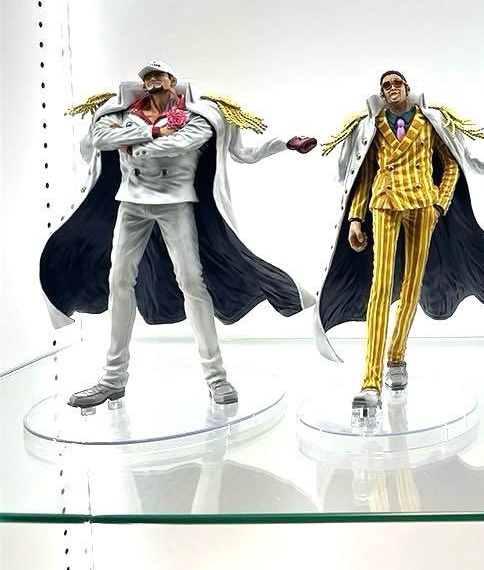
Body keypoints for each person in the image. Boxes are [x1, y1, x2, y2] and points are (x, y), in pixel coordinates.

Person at [41, 60, 317, 409]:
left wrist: (133, 144)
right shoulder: (121, 113)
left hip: (175, 203)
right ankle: (113, 379)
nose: (153, 81)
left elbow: (189, 144)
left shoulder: (197, 117)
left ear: (173, 80)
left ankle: (216, 376)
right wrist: (155, 133)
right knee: (118, 280)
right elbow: (99, 139)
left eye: (159, 76)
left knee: (192, 281)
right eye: (147, 77)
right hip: (131, 203)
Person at [316, 69, 484, 416]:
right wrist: (355, 218)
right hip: (383, 204)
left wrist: (440, 203)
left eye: (396, 84)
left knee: (412, 287)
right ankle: (370, 381)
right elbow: (364, 175)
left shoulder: (429, 122)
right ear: (381, 93)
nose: (392, 89)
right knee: (380, 288)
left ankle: (396, 356)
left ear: (407, 88)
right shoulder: (373, 125)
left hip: (422, 205)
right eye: (386, 86)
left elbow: (451, 165)